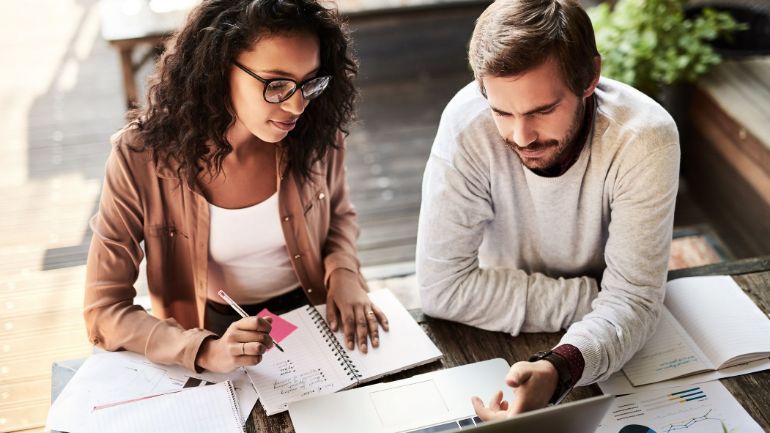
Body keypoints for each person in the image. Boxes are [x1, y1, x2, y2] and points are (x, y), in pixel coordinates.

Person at [84, 0, 388, 375]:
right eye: (276, 84)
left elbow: (339, 214)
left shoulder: (316, 131)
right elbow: (104, 309)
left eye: (309, 82)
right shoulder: (139, 157)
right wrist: (203, 349)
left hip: (317, 313)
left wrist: (344, 273)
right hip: (209, 327)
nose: (296, 106)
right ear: (218, 69)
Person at [416, 0, 680, 418]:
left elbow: (635, 299)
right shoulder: (467, 123)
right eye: (502, 111)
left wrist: (561, 366)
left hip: (576, 338)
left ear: (590, 77)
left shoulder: (645, 139)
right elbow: (441, 290)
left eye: (543, 110)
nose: (521, 136)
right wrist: (600, 298)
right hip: (514, 327)